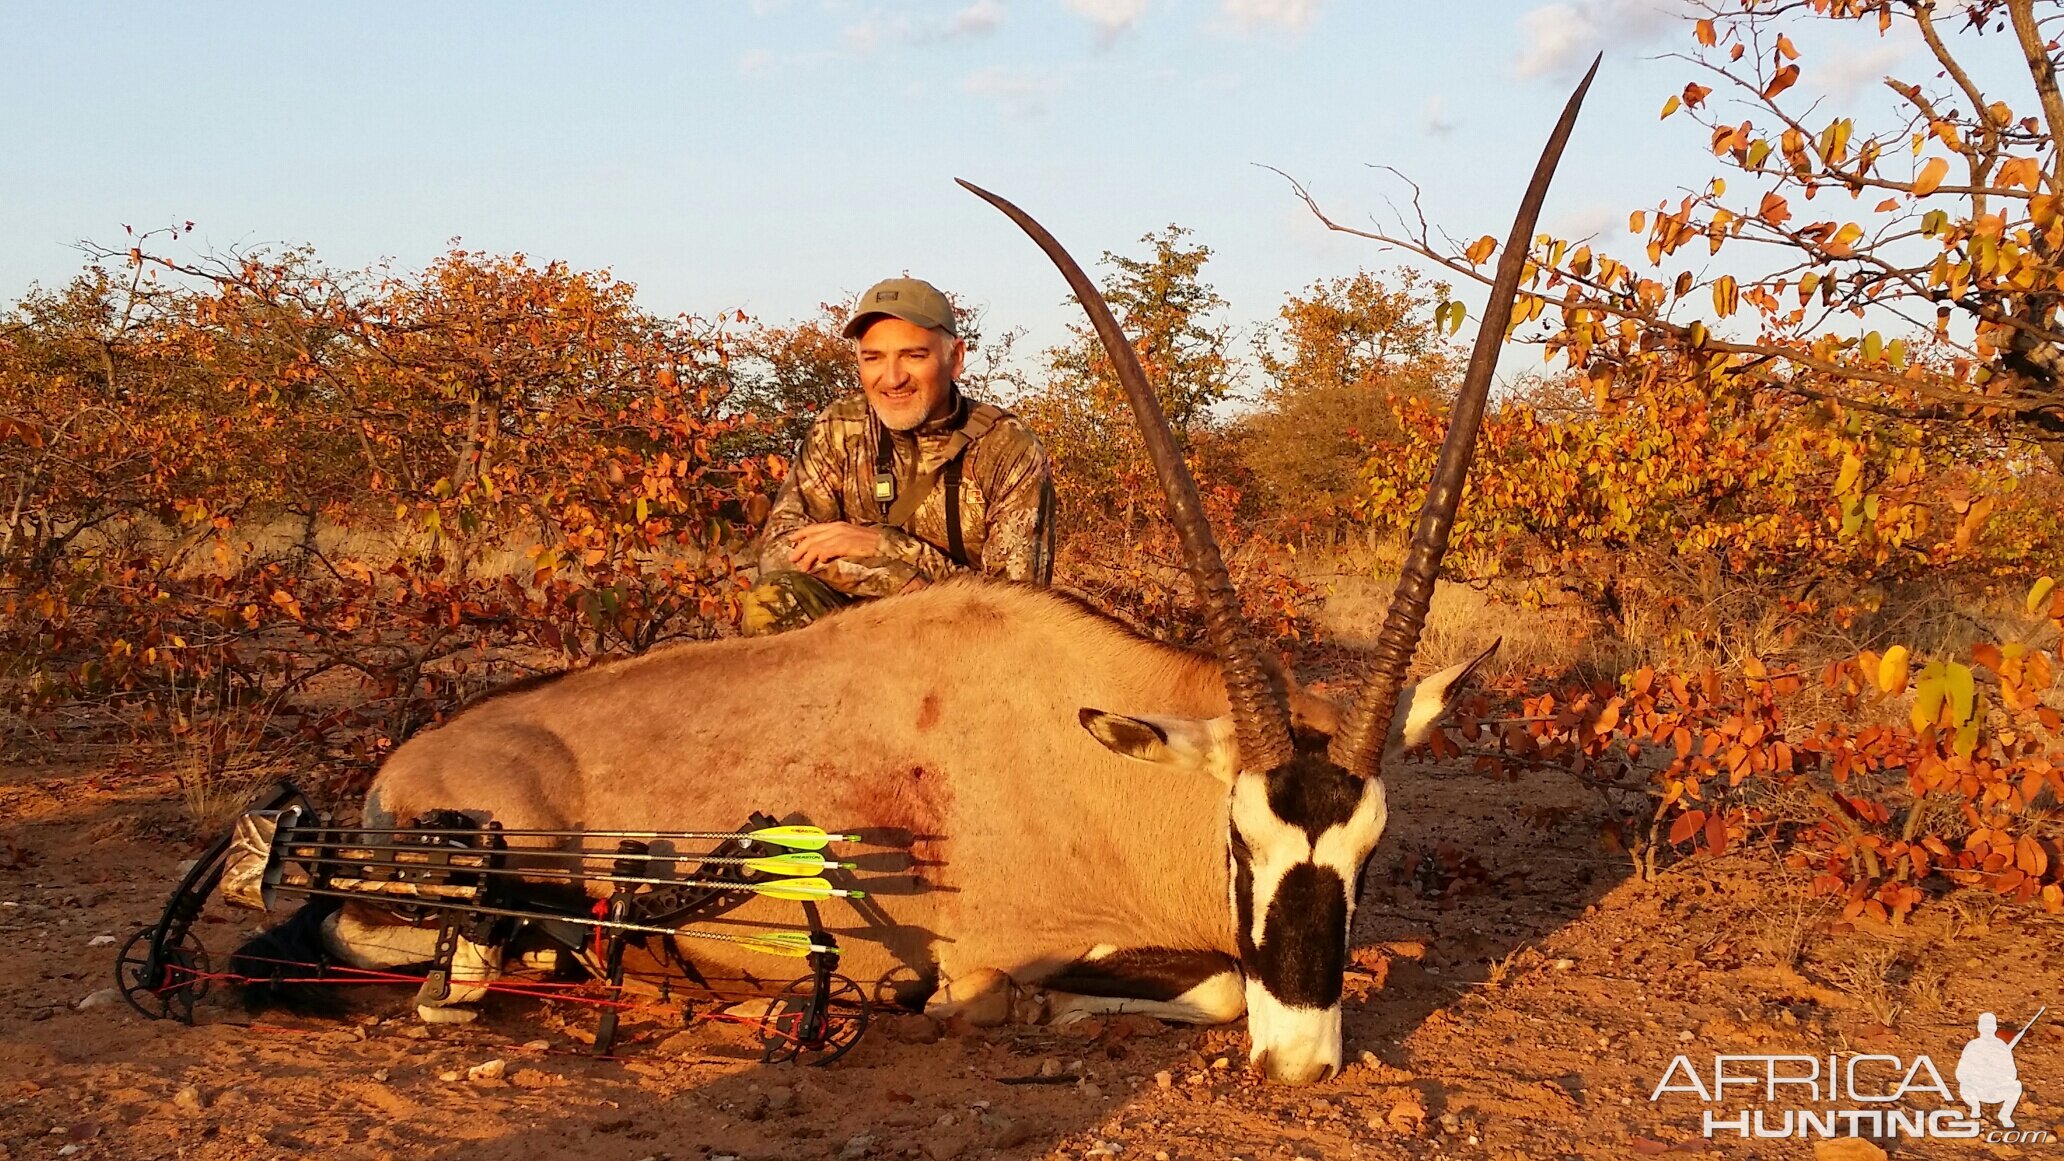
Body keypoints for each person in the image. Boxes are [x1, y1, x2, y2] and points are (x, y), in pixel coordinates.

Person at [742, 277, 1054, 635]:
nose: (891, 378)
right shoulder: (840, 427)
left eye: (913, 355)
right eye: (873, 358)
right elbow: (780, 551)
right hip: (857, 642)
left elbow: (1017, 612)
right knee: (773, 598)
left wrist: (883, 545)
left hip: (961, 646)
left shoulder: (1007, 448)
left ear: (955, 358)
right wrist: (899, 579)